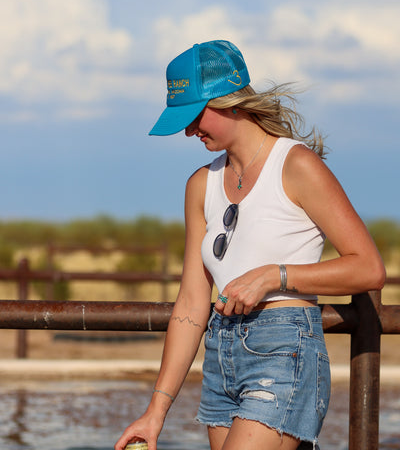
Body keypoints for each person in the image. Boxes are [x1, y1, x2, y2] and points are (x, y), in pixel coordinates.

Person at [115, 40, 385, 450]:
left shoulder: (296, 166)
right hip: (220, 355)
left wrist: (274, 277)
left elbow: (368, 267)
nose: (188, 131)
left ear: (231, 102)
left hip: (283, 350)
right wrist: (156, 412)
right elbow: (191, 302)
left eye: (194, 116)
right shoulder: (200, 185)